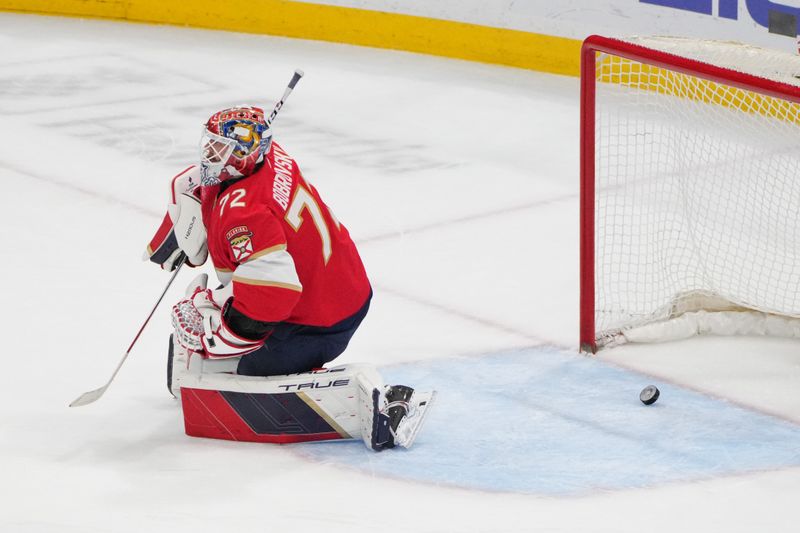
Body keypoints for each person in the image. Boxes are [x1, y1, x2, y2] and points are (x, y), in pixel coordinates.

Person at [147, 105, 372, 377]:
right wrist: (201, 206)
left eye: (220, 148)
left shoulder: (245, 215)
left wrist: (215, 339)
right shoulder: (272, 155)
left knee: (244, 383)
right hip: (340, 282)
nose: (209, 154)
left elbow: (273, 295)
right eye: (210, 144)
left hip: (320, 321)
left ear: (243, 155)